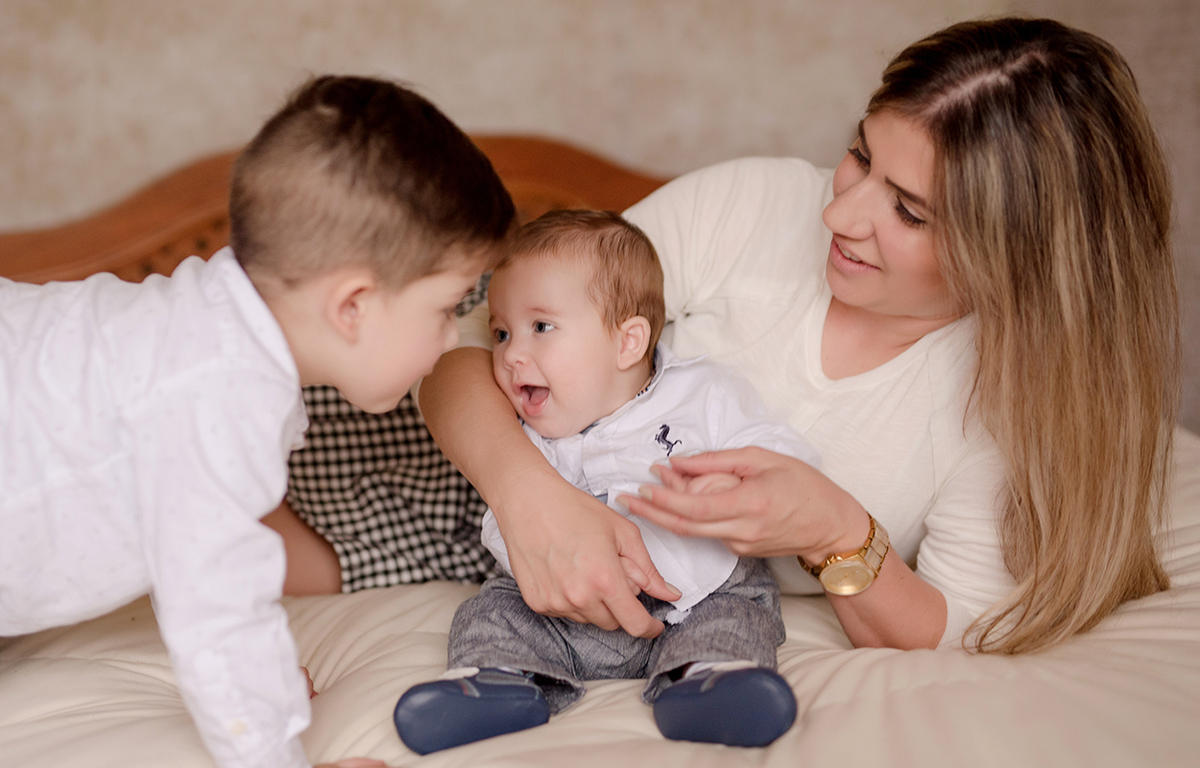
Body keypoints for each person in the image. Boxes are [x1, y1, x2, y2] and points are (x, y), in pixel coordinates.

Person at [417, 17, 1180, 656]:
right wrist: (529, 497)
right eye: (860, 155)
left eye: (910, 212)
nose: (839, 215)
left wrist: (832, 528)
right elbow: (453, 358)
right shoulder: (751, 204)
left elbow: (953, 628)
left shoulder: (1007, 395)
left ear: (1017, 255)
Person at [0, 75, 514, 768]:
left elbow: (174, 546)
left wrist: (258, 692)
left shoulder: (193, 330)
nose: (455, 339)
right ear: (353, 305)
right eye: (447, 308)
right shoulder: (219, 397)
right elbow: (218, 611)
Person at [394, 210, 818, 754]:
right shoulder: (519, 428)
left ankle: (712, 683)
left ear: (628, 343)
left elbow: (782, 461)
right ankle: (496, 682)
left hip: (697, 593)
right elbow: (508, 525)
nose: (511, 353)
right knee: (492, 610)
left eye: (540, 327)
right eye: (501, 332)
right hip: (562, 608)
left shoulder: (702, 394)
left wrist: (736, 492)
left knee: (740, 616)